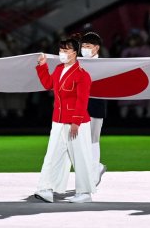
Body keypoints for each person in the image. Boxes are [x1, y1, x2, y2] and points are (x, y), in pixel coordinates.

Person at [34, 35, 97, 203]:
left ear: (75, 53)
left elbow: (82, 100)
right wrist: (42, 66)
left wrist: (76, 121)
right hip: (59, 120)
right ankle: (45, 188)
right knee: (51, 154)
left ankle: (84, 193)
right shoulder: (59, 69)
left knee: (80, 157)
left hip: (76, 122)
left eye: (66, 50)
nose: (62, 53)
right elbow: (48, 84)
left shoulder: (83, 75)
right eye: (61, 50)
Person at [81, 32, 108, 185]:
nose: (84, 49)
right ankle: (94, 168)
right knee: (79, 141)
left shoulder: (104, 64)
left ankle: (94, 172)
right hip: (79, 105)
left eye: (88, 46)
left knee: (92, 139)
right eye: (83, 46)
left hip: (96, 104)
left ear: (96, 48)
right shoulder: (77, 62)